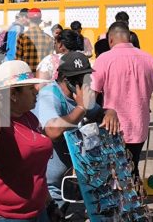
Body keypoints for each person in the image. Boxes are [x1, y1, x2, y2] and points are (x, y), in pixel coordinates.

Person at [34, 52, 119, 215]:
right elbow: (52, 130)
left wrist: (110, 112)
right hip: (49, 188)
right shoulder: (50, 95)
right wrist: (81, 108)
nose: (84, 82)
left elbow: (98, 112)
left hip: (69, 182)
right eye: (79, 79)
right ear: (66, 79)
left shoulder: (81, 96)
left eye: (86, 77)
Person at [0, 60, 52, 221]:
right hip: (2, 216)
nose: (36, 91)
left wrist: (49, 203)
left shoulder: (29, 117)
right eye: (30, 88)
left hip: (37, 212)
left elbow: (36, 169)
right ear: (13, 95)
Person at [91, 21, 153, 176]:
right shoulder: (149, 58)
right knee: (132, 165)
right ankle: (134, 196)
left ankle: (123, 198)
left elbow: (92, 93)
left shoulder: (104, 59)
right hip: (139, 127)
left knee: (113, 171)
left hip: (111, 127)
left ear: (110, 40)